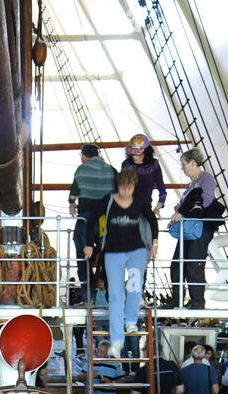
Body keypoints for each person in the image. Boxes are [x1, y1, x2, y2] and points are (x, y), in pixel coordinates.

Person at [83, 169, 158, 359]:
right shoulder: (108, 201)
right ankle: (117, 340)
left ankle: (131, 320)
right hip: (113, 252)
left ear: (134, 187)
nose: (126, 192)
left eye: (130, 188)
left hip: (136, 251)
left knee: (134, 286)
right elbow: (91, 219)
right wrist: (89, 244)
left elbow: (152, 219)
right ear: (119, 186)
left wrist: (155, 243)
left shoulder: (138, 201)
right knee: (116, 295)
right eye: (124, 188)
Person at [169, 147, 224, 309]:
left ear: (193, 163)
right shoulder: (191, 185)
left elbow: (205, 201)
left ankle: (197, 301)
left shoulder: (206, 178)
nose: (183, 169)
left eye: (184, 164)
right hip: (189, 229)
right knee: (177, 264)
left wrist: (184, 211)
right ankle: (177, 300)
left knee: (194, 264)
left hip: (200, 227)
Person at [68, 143, 117, 303]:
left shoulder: (81, 170)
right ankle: (111, 295)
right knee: (108, 258)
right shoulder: (111, 170)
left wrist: (72, 205)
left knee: (83, 258)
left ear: (83, 155)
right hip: (106, 221)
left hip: (86, 219)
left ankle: (89, 297)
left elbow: (73, 196)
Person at [121, 134, 168, 217]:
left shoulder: (154, 165)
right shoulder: (126, 164)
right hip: (128, 209)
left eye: (137, 153)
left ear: (145, 152)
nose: (134, 156)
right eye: (132, 152)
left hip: (146, 208)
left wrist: (158, 207)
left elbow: (162, 190)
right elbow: (121, 187)